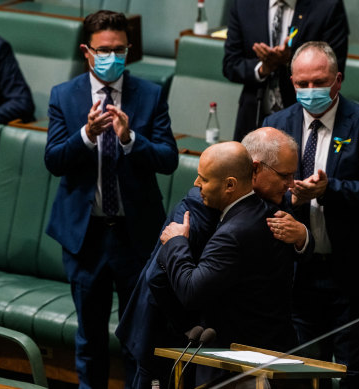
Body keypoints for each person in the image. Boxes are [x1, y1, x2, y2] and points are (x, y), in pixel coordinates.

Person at [44, 10, 178, 389]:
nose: (111, 56)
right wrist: (86, 134)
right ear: (87, 51)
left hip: (135, 238)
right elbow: (54, 161)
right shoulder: (64, 96)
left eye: (119, 49)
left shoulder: (150, 94)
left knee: (140, 339)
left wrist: (129, 140)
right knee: (90, 338)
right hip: (86, 238)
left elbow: (168, 159)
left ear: (129, 50)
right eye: (104, 49)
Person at [116, 127, 310, 388]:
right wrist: (192, 326)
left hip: (228, 338)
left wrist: (302, 237)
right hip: (169, 329)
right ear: (254, 169)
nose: (290, 185)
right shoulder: (199, 206)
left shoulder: (270, 200)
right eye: (284, 175)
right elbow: (158, 277)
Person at [263, 41, 359, 389]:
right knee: (303, 372)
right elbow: (260, 193)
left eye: (319, 82)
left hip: (353, 275)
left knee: (353, 374)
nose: (310, 91)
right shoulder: (275, 125)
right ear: (291, 82)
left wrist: (329, 189)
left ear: (338, 80)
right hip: (298, 274)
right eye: (302, 84)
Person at [158, 141, 299, 385]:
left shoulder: (232, 233)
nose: (196, 184)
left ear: (230, 185)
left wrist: (176, 243)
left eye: (204, 179)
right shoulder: (266, 212)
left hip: (240, 365)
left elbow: (192, 291)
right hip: (268, 351)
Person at [223, 0, 349, 142]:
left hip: (306, 118)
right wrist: (263, 68)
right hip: (254, 116)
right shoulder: (243, 3)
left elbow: (336, 66)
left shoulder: (328, 6)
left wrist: (290, 61)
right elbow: (230, 65)